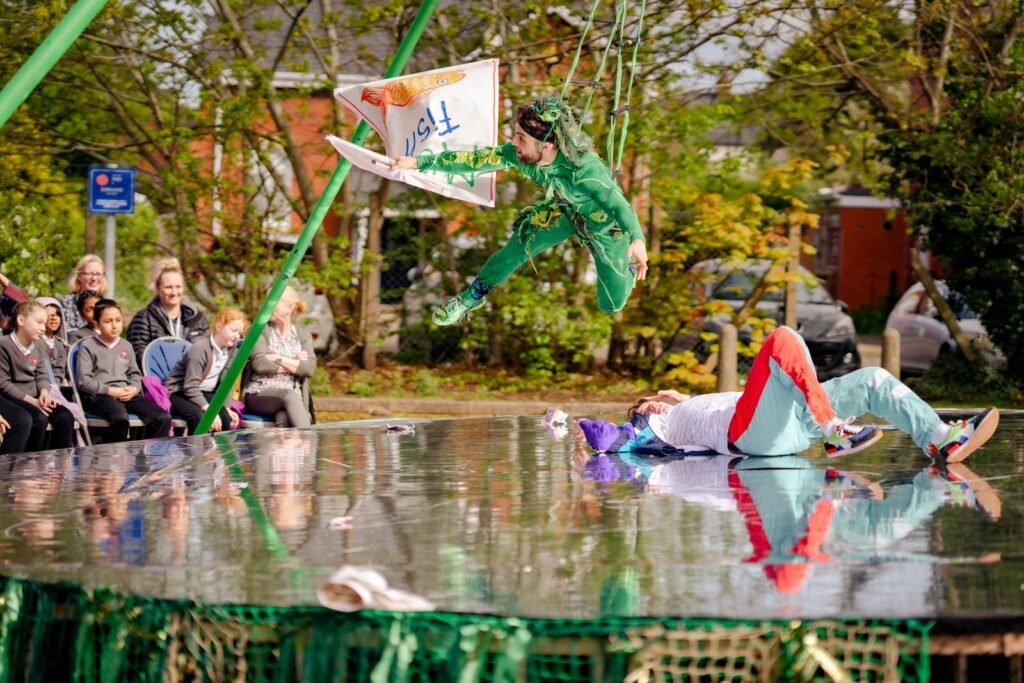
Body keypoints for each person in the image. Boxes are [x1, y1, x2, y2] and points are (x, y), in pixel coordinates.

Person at [391, 97, 648, 326]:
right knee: (514, 251)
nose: (514, 143)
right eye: (515, 134)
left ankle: (623, 268)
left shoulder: (585, 171)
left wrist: (636, 239)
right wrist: (418, 162)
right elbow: (474, 159)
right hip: (564, 211)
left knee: (611, 304)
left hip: (604, 225)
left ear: (546, 146)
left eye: (521, 138)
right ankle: (472, 298)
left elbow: (619, 206)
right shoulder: (521, 155)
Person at [581, 325, 999, 462]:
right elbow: (621, 438)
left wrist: (674, 392)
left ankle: (939, 438)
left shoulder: (694, 399)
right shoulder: (660, 423)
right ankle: (833, 429)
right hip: (747, 435)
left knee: (872, 377)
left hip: (791, 424)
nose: (652, 402)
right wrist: (605, 433)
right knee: (783, 336)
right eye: (647, 405)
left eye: (653, 398)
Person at [75, 299, 172, 442]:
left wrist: (133, 389)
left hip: (127, 395)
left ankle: (151, 457)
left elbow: (135, 374)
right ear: (97, 323)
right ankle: (115, 458)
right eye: (108, 321)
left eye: (118, 320)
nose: (114, 325)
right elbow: (84, 381)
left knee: (162, 417)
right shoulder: (88, 346)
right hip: (101, 397)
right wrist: (112, 391)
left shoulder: (126, 345)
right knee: (120, 418)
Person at [0, 302, 76, 452]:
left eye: (45, 323)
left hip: (36, 396)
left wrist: (44, 394)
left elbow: (41, 374)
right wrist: (33, 401)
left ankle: (58, 467)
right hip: (14, 397)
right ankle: (29, 464)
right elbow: (3, 383)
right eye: (39, 322)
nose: (43, 327)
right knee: (38, 419)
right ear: (21, 321)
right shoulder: (4, 345)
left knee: (65, 417)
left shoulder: (38, 345)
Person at [164, 307, 248, 434]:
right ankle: (194, 452)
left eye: (240, 333)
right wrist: (209, 410)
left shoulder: (232, 351)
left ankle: (217, 452)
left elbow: (227, 382)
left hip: (205, 392)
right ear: (219, 326)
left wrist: (226, 408)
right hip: (180, 392)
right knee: (199, 417)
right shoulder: (200, 348)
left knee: (225, 418)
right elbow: (190, 386)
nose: (237, 336)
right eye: (234, 330)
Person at [240, 286, 316, 427]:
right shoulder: (260, 330)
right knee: (289, 396)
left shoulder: (303, 335)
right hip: (259, 393)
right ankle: (309, 443)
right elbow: (260, 364)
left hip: (290, 400)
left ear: (289, 308)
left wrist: (278, 358)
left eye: (273, 302)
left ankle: (284, 448)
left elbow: (309, 369)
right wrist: (295, 363)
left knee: (284, 417)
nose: (267, 307)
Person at [126, 258, 209, 366]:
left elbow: (207, 352)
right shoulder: (143, 319)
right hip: (157, 380)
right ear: (158, 288)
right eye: (168, 287)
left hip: (191, 379)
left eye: (178, 287)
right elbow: (138, 355)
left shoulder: (198, 318)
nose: (174, 292)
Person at [58, 255, 109, 331]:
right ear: (79, 276)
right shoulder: (65, 304)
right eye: (89, 274)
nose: (94, 278)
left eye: (98, 274)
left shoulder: (107, 305)